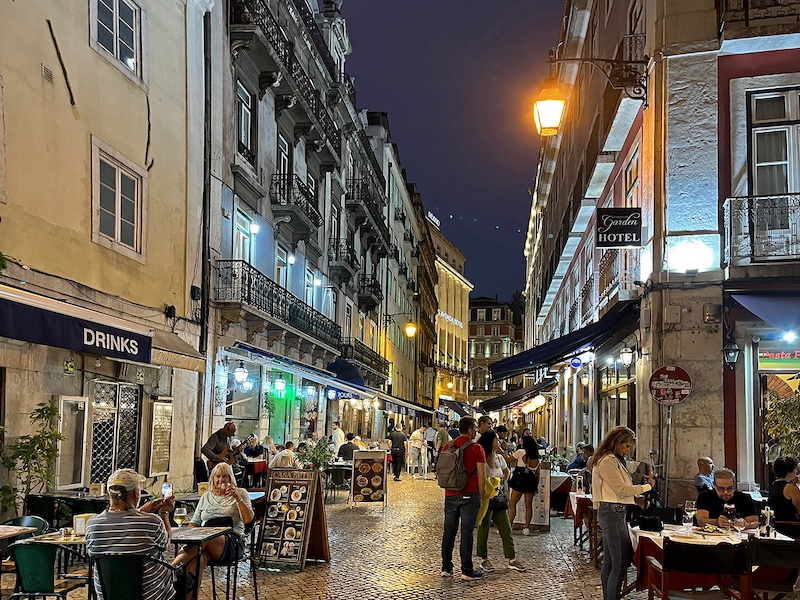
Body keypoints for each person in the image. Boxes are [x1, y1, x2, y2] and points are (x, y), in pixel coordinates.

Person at [86, 469, 176, 600]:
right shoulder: (152, 522)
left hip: (109, 595)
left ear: (108, 494)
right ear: (136, 493)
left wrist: (139, 511)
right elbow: (166, 544)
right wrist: (164, 513)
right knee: (189, 577)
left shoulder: (92, 525)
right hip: (150, 595)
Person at [592, 426, 655, 600]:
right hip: (612, 512)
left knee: (611, 562)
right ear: (617, 442)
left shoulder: (614, 460)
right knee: (619, 563)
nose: (628, 451)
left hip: (615, 510)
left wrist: (636, 497)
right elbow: (620, 489)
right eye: (626, 446)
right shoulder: (608, 461)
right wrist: (647, 487)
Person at [173, 463, 253, 596]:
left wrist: (237, 497)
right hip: (205, 542)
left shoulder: (241, 493)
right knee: (197, 561)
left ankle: (171, 568)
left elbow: (248, 519)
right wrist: (192, 534)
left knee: (205, 537)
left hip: (232, 542)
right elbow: (194, 522)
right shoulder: (206, 496)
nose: (221, 480)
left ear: (231, 478)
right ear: (213, 478)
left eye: (225, 477)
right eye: (218, 476)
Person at [440, 416, 486, 581]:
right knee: (466, 533)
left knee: (449, 532)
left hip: (450, 494)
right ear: (471, 429)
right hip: (470, 494)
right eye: (475, 428)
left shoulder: (448, 445)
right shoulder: (477, 448)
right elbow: (482, 474)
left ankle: (446, 567)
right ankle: (466, 570)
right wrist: (481, 495)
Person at [476, 431, 526, 573]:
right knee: (484, 529)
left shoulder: (499, 458)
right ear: (490, 442)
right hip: (486, 498)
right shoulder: (482, 458)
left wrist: (503, 485)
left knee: (506, 529)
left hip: (498, 498)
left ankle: (512, 558)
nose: (499, 442)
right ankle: (484, 559)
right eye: (496, 440)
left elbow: (506, 472)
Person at [507, 435, 541, 536]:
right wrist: (536, 486)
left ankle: (509, 525)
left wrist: (504, 448)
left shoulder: (521, 452)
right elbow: (537, 475)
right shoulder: (537, 458)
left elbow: (508, 459)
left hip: (520, 481)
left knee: (512, 504)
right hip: (531, 482)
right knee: (528, 506)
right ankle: (526, 528)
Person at [201, 421, 245, 486]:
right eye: (232, 432)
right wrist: (218, 458)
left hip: (226, 465)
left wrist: (237, 452)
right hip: (216, 465)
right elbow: (205, 449)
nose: (233, 435)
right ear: (226, 430)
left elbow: (228, 452)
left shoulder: (228, 438)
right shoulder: (215, 437)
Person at [767, 457, 800, 538]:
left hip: (776, 527)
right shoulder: (791, 487)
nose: (796, 472)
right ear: (788, 472)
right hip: (791, 528)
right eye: (795, 470)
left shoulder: (773, 485)